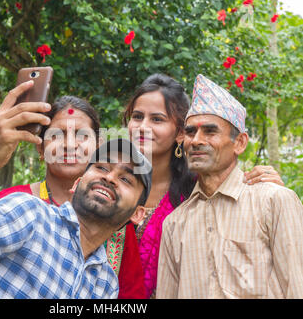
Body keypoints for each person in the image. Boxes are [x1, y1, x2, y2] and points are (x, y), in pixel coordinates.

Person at [0, 135, 152, 298]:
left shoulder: (105, 283)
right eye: (101, 167)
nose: (110, 178)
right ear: (77, 183)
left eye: (126, 179)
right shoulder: (30, 214)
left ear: (137, 214)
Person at [122, 73, 284, 298]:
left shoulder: (201, 192)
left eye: (157, 119)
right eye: (137, 116)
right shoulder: (112, 182)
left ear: (180, 133)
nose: (143, 127)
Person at [0, 95, 147, 298]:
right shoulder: (15, 200)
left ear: (98, 147)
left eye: (82, 135)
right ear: (40, 147)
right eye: (57, 135)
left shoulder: (117, 226)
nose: (70, 144)